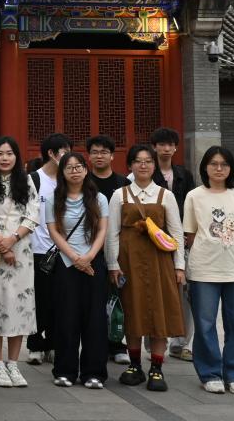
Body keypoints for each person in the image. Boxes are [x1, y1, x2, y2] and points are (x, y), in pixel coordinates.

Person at [107, 144, 185, 392]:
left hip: (160, 262)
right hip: (128, 262)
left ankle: (156, 368)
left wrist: (180, 266)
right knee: (133, 311)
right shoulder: (119, 195)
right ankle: (134, 365)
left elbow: (176, 233)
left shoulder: (165, 195)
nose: (143, 165)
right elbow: (112, 233)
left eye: (148, 161)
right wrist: (112, 264)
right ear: (130, 165)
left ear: (155, 165)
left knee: (159, 313)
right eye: (138, 161)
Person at [183, 146, 234, 395]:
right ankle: (210, 373)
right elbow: (190, 235)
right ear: (204, 167)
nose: (218, 168)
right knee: (205, 324)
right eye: (213, 164)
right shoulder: (194, 196)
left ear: (231, 169)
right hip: (204, 270)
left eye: (224, 164)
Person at [0, 136, 40, 388]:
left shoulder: (27, 181)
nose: (4, 158)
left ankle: (14, 363)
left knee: (19, 307)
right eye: (0, 153)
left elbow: (33, 214)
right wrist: (2, 244)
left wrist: (12, 240)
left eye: (9, 153)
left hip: (21, 252)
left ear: (16, 156)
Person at [47, 152, 109, 389]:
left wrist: (89, 256)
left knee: (95, 319)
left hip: (93, 263)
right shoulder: (54, 198)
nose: (74, 171)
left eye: (78, 166)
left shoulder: (99, 198)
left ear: (85, 169)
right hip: (66, 264)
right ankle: (65, 370)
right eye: (69, 167)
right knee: (66, 317)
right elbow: (54, 231)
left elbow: (102, 230)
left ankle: (94, 372)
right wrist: (74, 258)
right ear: (62, 172)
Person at [150, 127, 196, 362]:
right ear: (154, 147)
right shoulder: (148, 172)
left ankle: (181, 343)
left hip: (181, 242)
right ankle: (154, 343)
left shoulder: (184, 175)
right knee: (154, 292)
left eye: (170, 144)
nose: (166, 148)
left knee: (185, 292)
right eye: (162, 144)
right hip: (155, 241)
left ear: (176, 148)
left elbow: (191, 205)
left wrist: (189, 234)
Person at [26, 133, 70, 365]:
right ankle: (35, 344)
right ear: (52, 154)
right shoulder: (34, 179)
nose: (68, 156)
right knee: (38, 300)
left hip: (63, 249)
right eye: (64, 151)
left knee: (59, 300)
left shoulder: (69, 179)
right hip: (36, 248)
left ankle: (53, 344)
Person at [86, 134, 131, 365]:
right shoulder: (84, 183)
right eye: (94, 152)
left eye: (104, 152)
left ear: (112, 156)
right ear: (88, 156)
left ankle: (118, 344)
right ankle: (97, 345)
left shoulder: (123, 184)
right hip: (90, 249)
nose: (99, 156)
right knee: (95, 300)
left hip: (119, 249)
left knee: (119, 297)